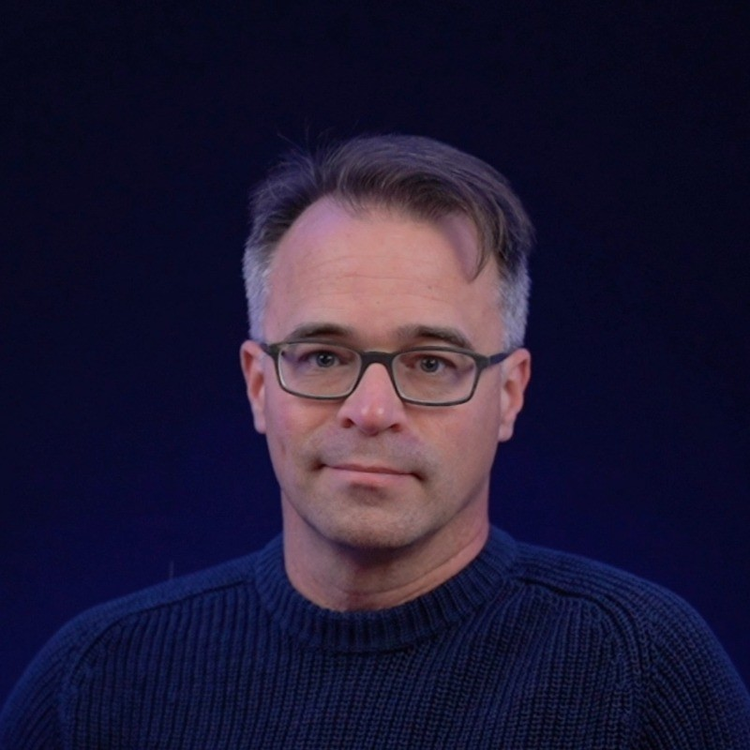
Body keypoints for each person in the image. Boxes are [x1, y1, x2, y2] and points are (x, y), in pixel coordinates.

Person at [1, 135, 749, 749]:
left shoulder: (641, 673)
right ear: (259, 385)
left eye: (432, 363)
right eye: (324, 357)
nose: (371, 410)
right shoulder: (95, 683)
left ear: (510, 394)